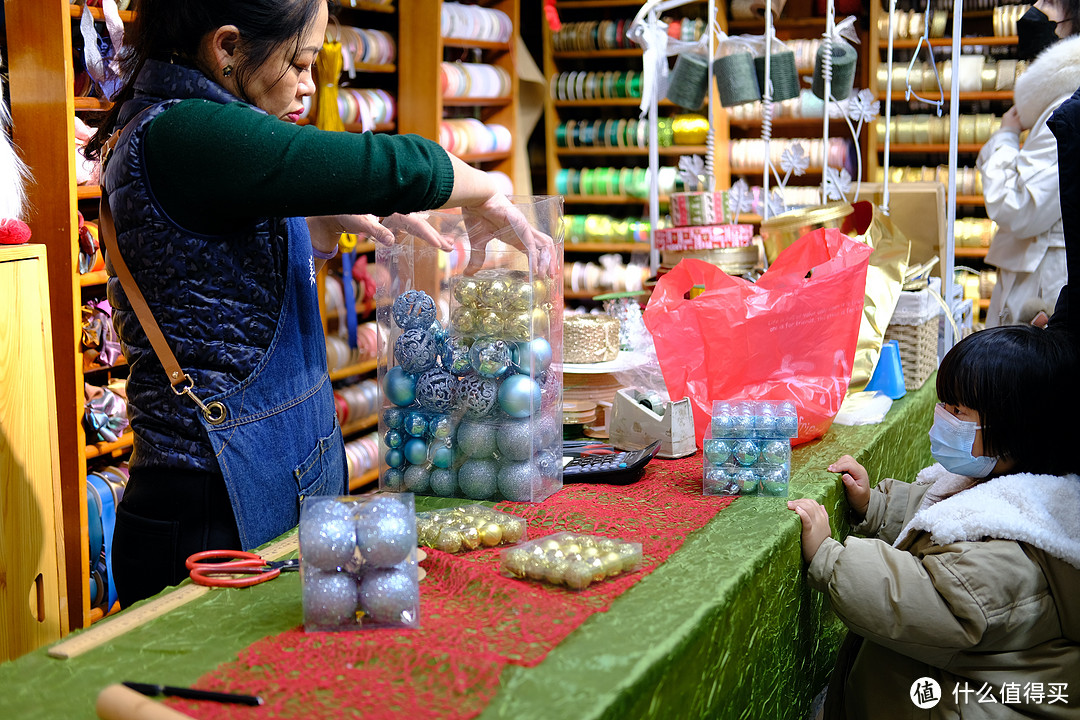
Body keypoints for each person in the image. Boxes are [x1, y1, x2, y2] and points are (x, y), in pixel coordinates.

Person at [87, 0, 552, 607]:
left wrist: (308, 226)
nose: (309, 84)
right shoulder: (182, 132)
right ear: (226, 48)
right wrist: (489, 186)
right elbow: (383, 165)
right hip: (208, 510)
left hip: (258, 487)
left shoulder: (195, 135)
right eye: (298, 62)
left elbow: (222, 293)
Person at [789, 325, 1080, 719]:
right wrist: (875, 507)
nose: (942, 417)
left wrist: (830, 557)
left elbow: (915, 600)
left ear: (1018, 432)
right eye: (944, 404)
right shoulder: (1003, 481)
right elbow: (939, 522)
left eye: (958, 411)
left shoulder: (1009, 555)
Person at [977, 0, 1080, 327]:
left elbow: (1019, 206)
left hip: (1041, 281)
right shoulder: (1058, 103)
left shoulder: (1064, 110)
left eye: (1048, 2)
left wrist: (1006, 138)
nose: (1035, 8)